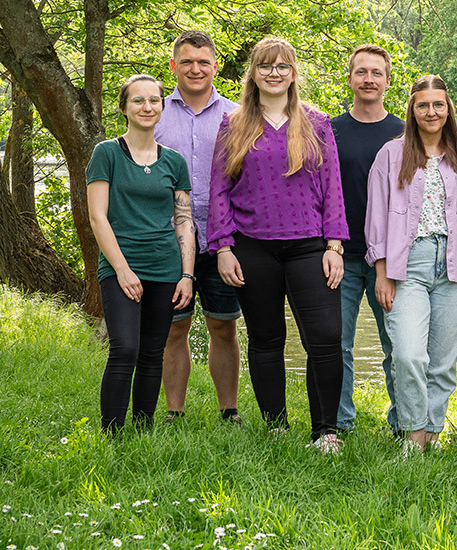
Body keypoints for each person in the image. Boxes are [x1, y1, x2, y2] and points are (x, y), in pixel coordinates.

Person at [207, 37, 348, 453]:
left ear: (293, 73)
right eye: (265, 66)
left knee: (324, 336)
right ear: (253, 73)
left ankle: (325, 431)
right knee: (265, 338)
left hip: (309, 246)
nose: (273, 73)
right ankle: (276, 425)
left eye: (282, 66)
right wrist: (223, 247)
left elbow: (332, 187)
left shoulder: (317, 122)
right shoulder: (232, 125)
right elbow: (219, 191)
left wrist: (334, 245)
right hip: (252, 249)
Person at [365, 75, 457, 456]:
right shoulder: (391, 154)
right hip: (408, 265)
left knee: (443, 362)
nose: (431, 112)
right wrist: (382, 270)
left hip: (455, 265)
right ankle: (412, 435)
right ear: (412, 110)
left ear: (448, 109)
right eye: (423, 105)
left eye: (438, 105)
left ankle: (432, 435)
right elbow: (376, 216)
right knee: (408, 354)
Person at [87, 74, 195, 432]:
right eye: (138, 100)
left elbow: (184, 221)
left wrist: (187, 274)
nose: (147, 107)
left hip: (165, 268)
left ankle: (143, 428)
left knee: (153, 351)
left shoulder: (174, 162)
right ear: (124, 108)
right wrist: (121, 269)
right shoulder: (106, 154)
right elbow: (97, 216)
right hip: (121, 266)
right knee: (125, 348)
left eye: (154, 100)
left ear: (162, 107)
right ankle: (112, 433)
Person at [155, 30, 244, 425]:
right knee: (174, 330)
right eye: (187, 62)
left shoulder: (238, 115)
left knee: (223, 327)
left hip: (225, 238)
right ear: (174, 66)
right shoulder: (154, 112)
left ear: (215, 66)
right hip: (168, 240)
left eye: (203, 62)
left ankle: (230, 411)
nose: (195, 69)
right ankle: (175, 412)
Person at [331, 44, 405, 435]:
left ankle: (402, 423)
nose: (369, 79)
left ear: (388, 80)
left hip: (392, 261)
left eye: (377, 73)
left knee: (398, 347)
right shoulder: (331, 130)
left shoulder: (404, 132)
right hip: (340, 255)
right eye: (361, 72)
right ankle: (340, 423)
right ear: (350, 79)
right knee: (338, 344)